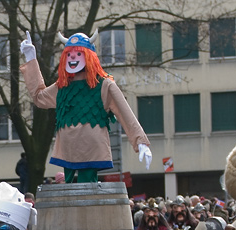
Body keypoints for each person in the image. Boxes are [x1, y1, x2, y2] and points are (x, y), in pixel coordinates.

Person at [20, 31, 152, 182]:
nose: (73, 58)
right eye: (69, 55)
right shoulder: (62, 86)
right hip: (67, 149)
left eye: (78, 54)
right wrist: (31, 58)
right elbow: (39, 97)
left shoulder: (104, 84)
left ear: (89, 57)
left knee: (88, 186)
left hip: (92, 150)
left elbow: (125, 112)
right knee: (67, 190)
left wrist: (140, 142)